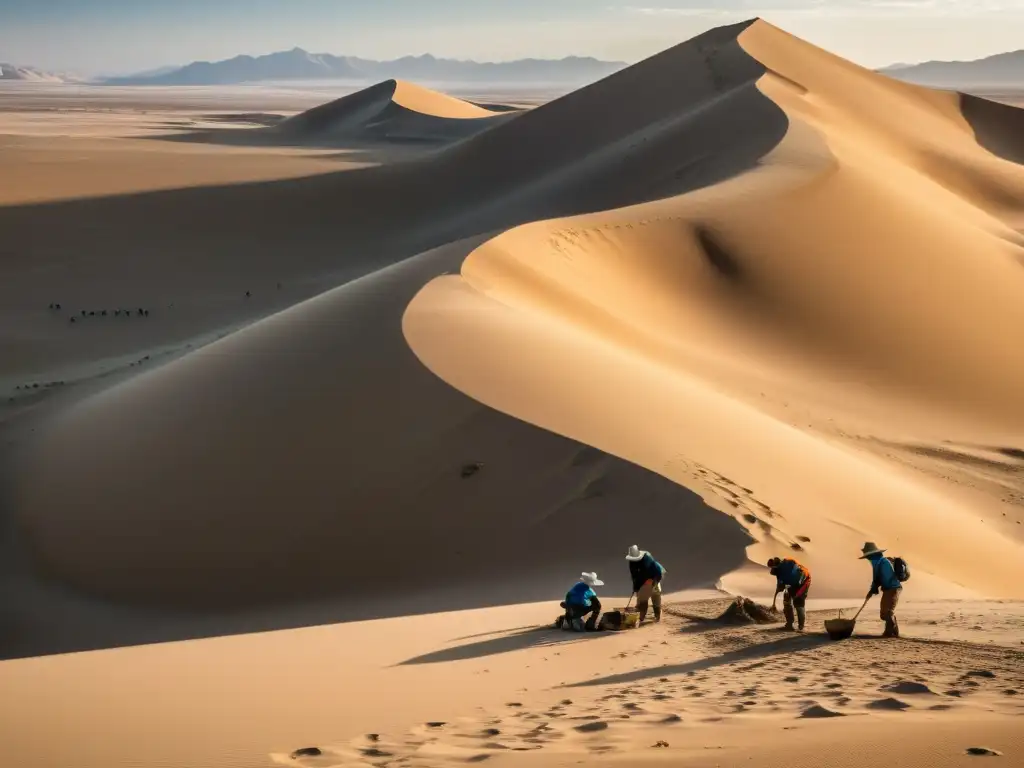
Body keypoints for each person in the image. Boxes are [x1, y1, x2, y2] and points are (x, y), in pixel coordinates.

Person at [860, 542, 902, 638]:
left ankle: (889, 633)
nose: (868, 558)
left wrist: (873, 589)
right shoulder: (877, 564)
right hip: (888, 589)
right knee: (883, 614)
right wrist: (872, 590)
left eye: (868, 556)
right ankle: (894, 632)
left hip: (894, 588)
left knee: (888, 611)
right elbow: (877, 580)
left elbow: (881, 578)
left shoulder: (883, 563)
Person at [767, 556, 811, 631]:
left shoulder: (784, 570)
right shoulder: (783, 567)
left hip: (804, 581)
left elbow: (782, 586)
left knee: (798, 603)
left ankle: (801, 627)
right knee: (787, 601)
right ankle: (790, 624)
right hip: (793, 583)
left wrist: (782, 588)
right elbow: (780, 586)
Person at [626, 545, 665, 623]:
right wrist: (636, 588)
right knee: (642, 598)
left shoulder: (647, 561)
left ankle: (656, 617)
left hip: (654, 577)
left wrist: (654, 580)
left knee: (654, 596)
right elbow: (634, 576)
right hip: (646, 580)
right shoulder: (632, 562)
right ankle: (641, 617)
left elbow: (656, 572)